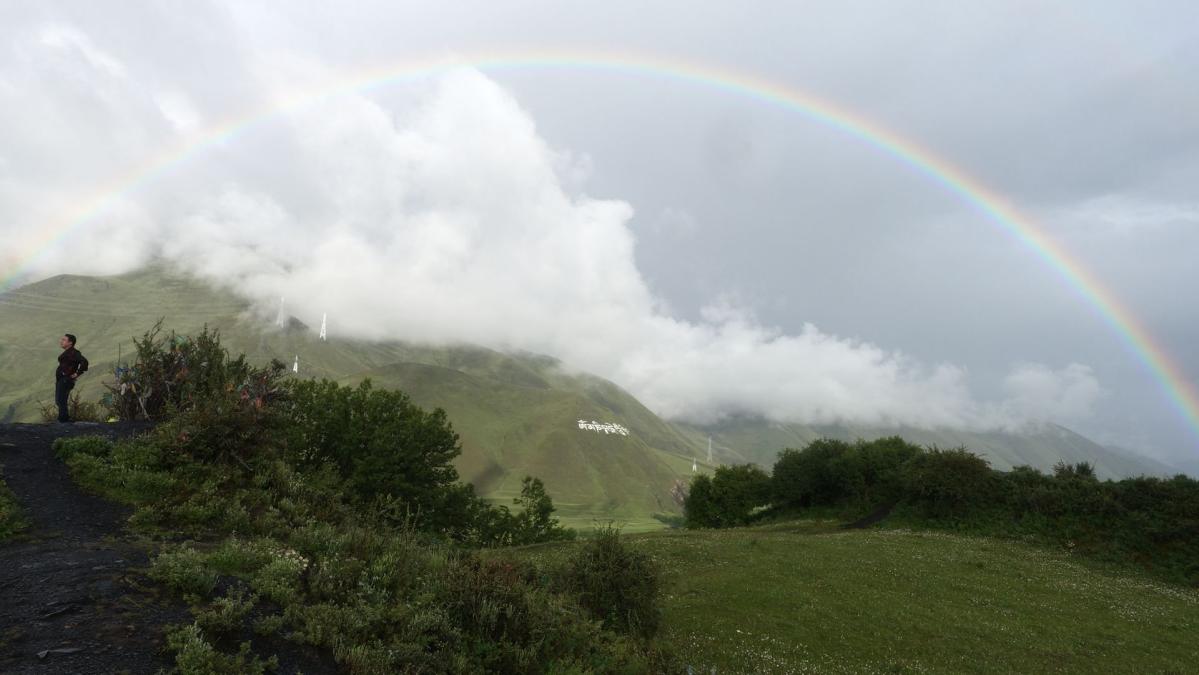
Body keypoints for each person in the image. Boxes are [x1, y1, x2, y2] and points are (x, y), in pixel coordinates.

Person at [55, 333, 89, 423]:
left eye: (64, 340)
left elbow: (84, 362)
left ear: (70, 343)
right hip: (62, 380)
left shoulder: (74, 352)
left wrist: (77, 373)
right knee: (59, 400)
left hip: (66, 380)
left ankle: (63, 421)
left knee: (61, 400)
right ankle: (63, 419)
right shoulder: (69, 352)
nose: (61, 341)